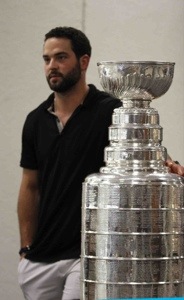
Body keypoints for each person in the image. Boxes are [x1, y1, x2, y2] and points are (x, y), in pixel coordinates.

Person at [17, 26, 184, 300]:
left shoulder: (109, 109)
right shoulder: (35, 120)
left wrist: (170, 162)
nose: (52, 66)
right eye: (46, 59)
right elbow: (30, 186)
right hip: (41, 257)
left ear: (84, 62)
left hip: (85, 253)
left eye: (61, 57)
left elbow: (141, 146)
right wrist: (26, 248)